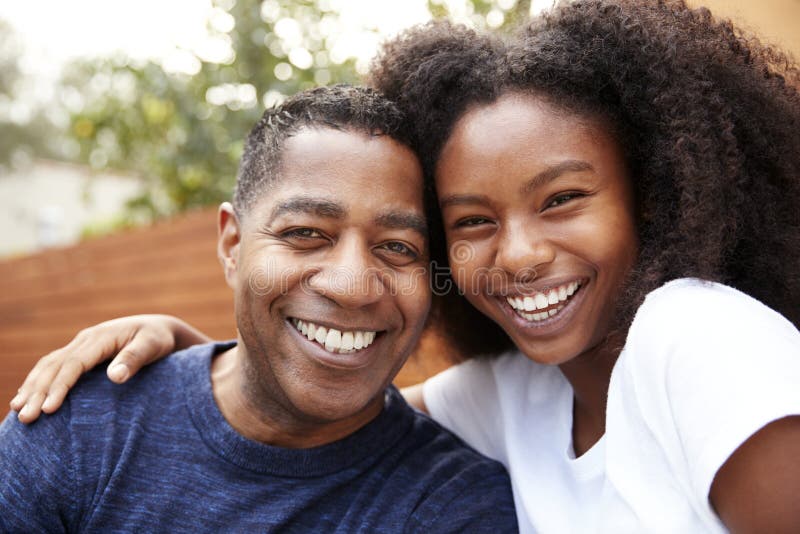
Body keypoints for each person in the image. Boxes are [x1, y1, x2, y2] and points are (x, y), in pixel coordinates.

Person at [11, 0, 800, 531]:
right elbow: (326, 399)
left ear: (655, 199)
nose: (518, 253)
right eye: (472, 221)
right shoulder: (514, 394)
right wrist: (189, 350)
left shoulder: (694, 336)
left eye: (561, 199)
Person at [0, 85, 518, 532]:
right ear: (232, 244)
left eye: (398, 247)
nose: (352, 286)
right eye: (305, 233)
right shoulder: (80, 427)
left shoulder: (453, 504)